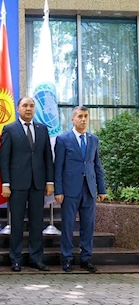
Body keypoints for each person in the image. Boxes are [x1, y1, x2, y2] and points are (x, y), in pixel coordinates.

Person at [0, 97, 53, 272]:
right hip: (16, 184)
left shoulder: (42, 129)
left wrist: (50, 182)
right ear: (18, 108)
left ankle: (36, 258)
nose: (28, 109)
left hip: (38, 183)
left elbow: (47, 158)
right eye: (25, 105)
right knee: (17, 223)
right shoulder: (10, 129)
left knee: (37, 222)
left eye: (31, 106)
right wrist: (5, 183)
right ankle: (16, 259)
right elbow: (4, 159)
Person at [54, 105, 106, 273]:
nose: (83, 119)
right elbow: (58, 167)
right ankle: (67, 258)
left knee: (88, 225)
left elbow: (97, 165)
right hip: (70, 190)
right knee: (68, 225)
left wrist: (102, 189)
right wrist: (58, 190)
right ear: (73, 119)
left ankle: (86, 258)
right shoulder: (63, 139)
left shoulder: (93, 139)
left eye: (86, 116)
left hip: (89, 190)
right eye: (80, 116)